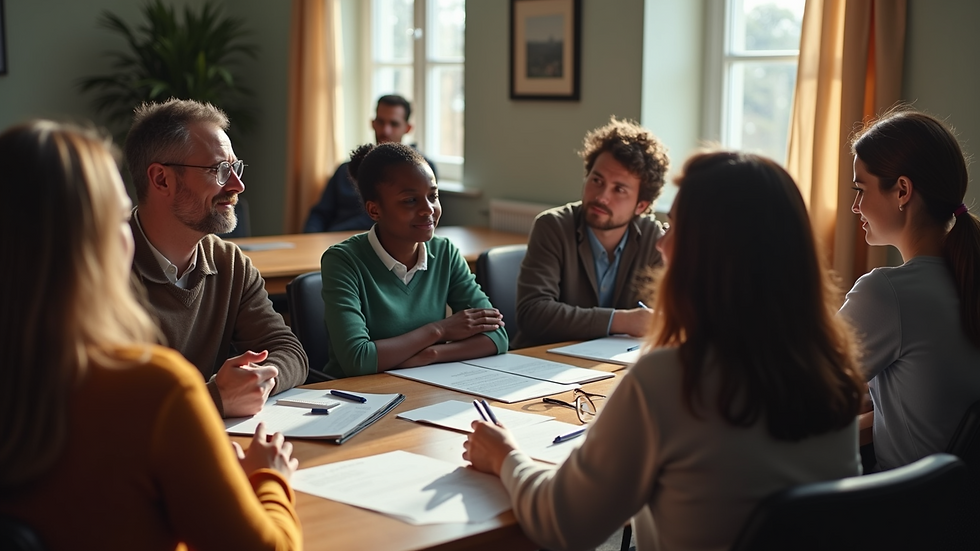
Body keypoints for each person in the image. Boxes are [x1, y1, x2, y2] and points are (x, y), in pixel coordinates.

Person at [464, 151, 865, 551]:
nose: (661, 242)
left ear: (710, 253)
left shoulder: (671, 378)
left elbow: (562, 525)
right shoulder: (833, 367)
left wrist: (504, 456)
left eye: (676, 228)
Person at [0, 121, 301, 550]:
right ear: (95, 241)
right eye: (118, 216)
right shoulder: (155, 388)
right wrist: (269, 477)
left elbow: (288, 349)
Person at [124, 98, 308, 418]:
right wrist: (214, 399)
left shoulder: (230, 263)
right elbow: (100, 405)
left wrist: (257, 381)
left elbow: (289, 351)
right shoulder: (100, 271)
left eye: (234, 167)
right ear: (162, 180)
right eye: (219, 170)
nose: (238, 185)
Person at [840, 109, 980, 471]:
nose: (855, 206)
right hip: (958, 515)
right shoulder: (966, 277)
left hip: (906, 516)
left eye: (860, 188)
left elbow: (803, 390)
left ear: (902, 190)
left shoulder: (886, 294)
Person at [320, 142, 508, 377]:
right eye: (410, 200)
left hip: (424, 385)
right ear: (374, 210)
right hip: (359, 397)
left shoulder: (445, 252)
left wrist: (432, 355)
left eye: (433, 196)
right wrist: (439, 331)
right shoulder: (342, 261)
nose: (428, 209)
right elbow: (358, 359)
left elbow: (497, 337)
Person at [513, 117, 669, 349]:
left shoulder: (653, 239)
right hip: (542, 360)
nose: (601, 196)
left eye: (619, 189)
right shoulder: (553, 226)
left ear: (641, 206)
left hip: (611, 363)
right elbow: (534, 313)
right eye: (597, 180)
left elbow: (660, 314)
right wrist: (623, 321)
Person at [303, 94, 439, 233]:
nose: (385, 130)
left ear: (408, 128)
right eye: (380, 122)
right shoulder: (345, 170)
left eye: (394, 124)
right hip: (333, 242)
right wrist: (310, 238)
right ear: (372, 123)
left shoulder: (421, 170)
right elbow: (320, 213)